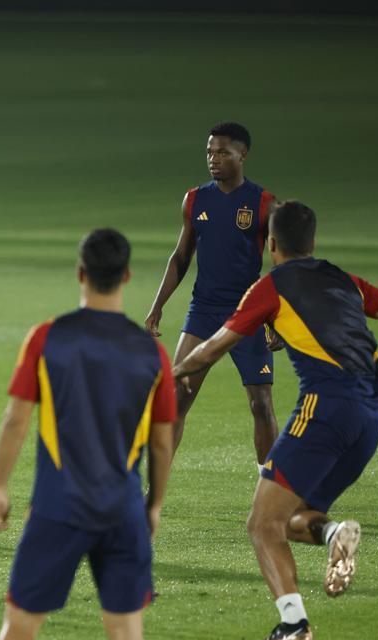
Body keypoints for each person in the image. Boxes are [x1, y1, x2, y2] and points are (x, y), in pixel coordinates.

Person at [173, 200, 378, 640]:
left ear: (270, 244)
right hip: (370, 420)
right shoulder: (345, 280)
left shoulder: (269, 287)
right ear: (313, 242)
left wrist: (164, 375)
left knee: (259, 524)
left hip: (325, 409)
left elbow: (211, 349)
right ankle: (333, 533)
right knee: (288, 519)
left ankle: (294, 626)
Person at [0, 228, 175, 640]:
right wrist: (155, 505)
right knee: (128, 633)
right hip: (122, 511)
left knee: (20, 626)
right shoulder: (152, 353)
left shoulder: (47, 339)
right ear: (127, 275)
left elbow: (15, 419)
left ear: (80, 274)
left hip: (57, 510)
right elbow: (163, 442)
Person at [144, 121, 279, 466]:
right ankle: (153, 491)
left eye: (222, 152)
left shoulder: (264, 204)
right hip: (203, 311)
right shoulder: (195, 200)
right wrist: (158, 305)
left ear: (242, 155)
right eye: (209, 152)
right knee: (178, 395)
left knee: (261, 404)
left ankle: (272, 490)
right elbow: (181, 257)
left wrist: (277, 317)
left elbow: (282, 268)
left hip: (248, 314)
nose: (213, 159)